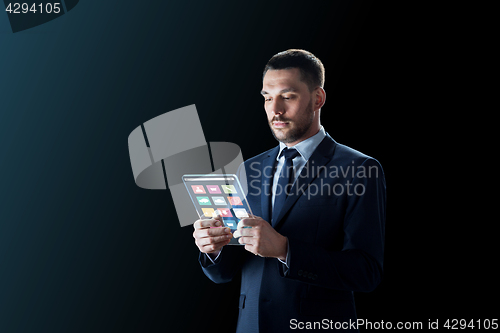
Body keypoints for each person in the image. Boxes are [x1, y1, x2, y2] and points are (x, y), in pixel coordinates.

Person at [193, 49, 386, 333]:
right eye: (268, 98)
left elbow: (366, 272)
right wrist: (213, 248)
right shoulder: (248, 169)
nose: (275, 110)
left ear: (318, 99)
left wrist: (285, 250)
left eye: (288, 96)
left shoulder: (360, 168)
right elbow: (225, 272)